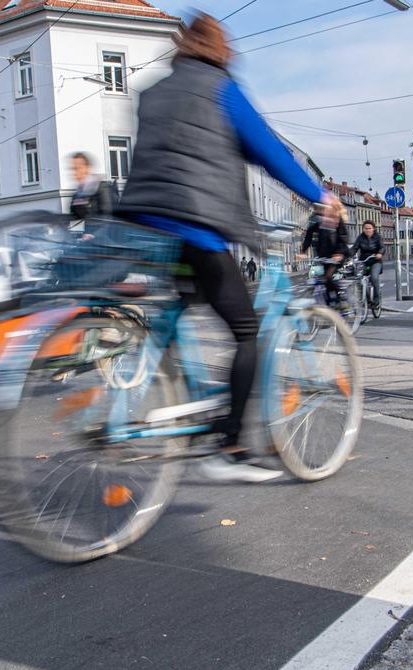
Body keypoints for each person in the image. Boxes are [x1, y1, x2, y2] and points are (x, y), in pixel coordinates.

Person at [116, 13, 341, 483]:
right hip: (196, 224)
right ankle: (232, 445)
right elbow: (272, 155)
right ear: (222, 50)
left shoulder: (154, 92)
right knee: (246, 330)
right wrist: (320, 195)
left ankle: (185, 401)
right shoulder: (222, 90)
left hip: (145, 222)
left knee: (185, 304)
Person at [302, 201, 351, 305]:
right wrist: (303, 251)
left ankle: (340, 297)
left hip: (337, 254)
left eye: (322, 208)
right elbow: (308, 236)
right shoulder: (315, 219)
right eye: (318, 208)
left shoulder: (336, 218)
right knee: (324, 281)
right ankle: (330, 305)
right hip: (324, 255)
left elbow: (343, 237)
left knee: (328, 276)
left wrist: (339, 253)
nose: (320, 211)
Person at [68, 152, 117, 221]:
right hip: (87, 230)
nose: (75, 172)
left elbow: (107, 216)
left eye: (78, 168)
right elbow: (73, 216)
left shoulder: (101, 188)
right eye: (73, 168)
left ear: (87, 168)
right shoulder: (78, 193)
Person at [349, 220, 384, 308]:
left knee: (374, 277)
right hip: (363, 261)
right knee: (358, 278)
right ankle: (366, 299)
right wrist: (348, 256)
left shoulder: (377, 237)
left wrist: (380, 253)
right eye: (365, 228)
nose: (367, 230)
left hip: (376, 261)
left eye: (369, 228)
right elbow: (354, 248)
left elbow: (382, 247)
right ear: (363, 229)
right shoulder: (360, 238)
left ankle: (376, 300)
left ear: (373, 229)